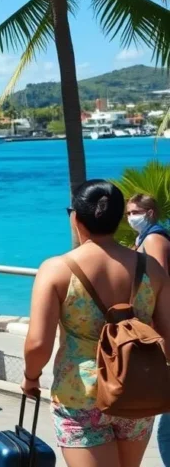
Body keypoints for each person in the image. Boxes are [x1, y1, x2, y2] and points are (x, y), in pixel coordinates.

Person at [21, 181, 170, 467]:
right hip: (136, 389)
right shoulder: (150, 268)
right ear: (118, 219)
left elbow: (39, 343)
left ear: (76, 218)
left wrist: (31, 377)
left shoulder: (56, 269)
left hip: (81, 394)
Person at [126, 194, 170, 467]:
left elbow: (159, 283)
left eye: (135, 212)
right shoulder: (147, 238)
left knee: (166, 433)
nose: (131, 217)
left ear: (150, 213)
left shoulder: (154, 239)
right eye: (128, 212)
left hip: (162, 335)